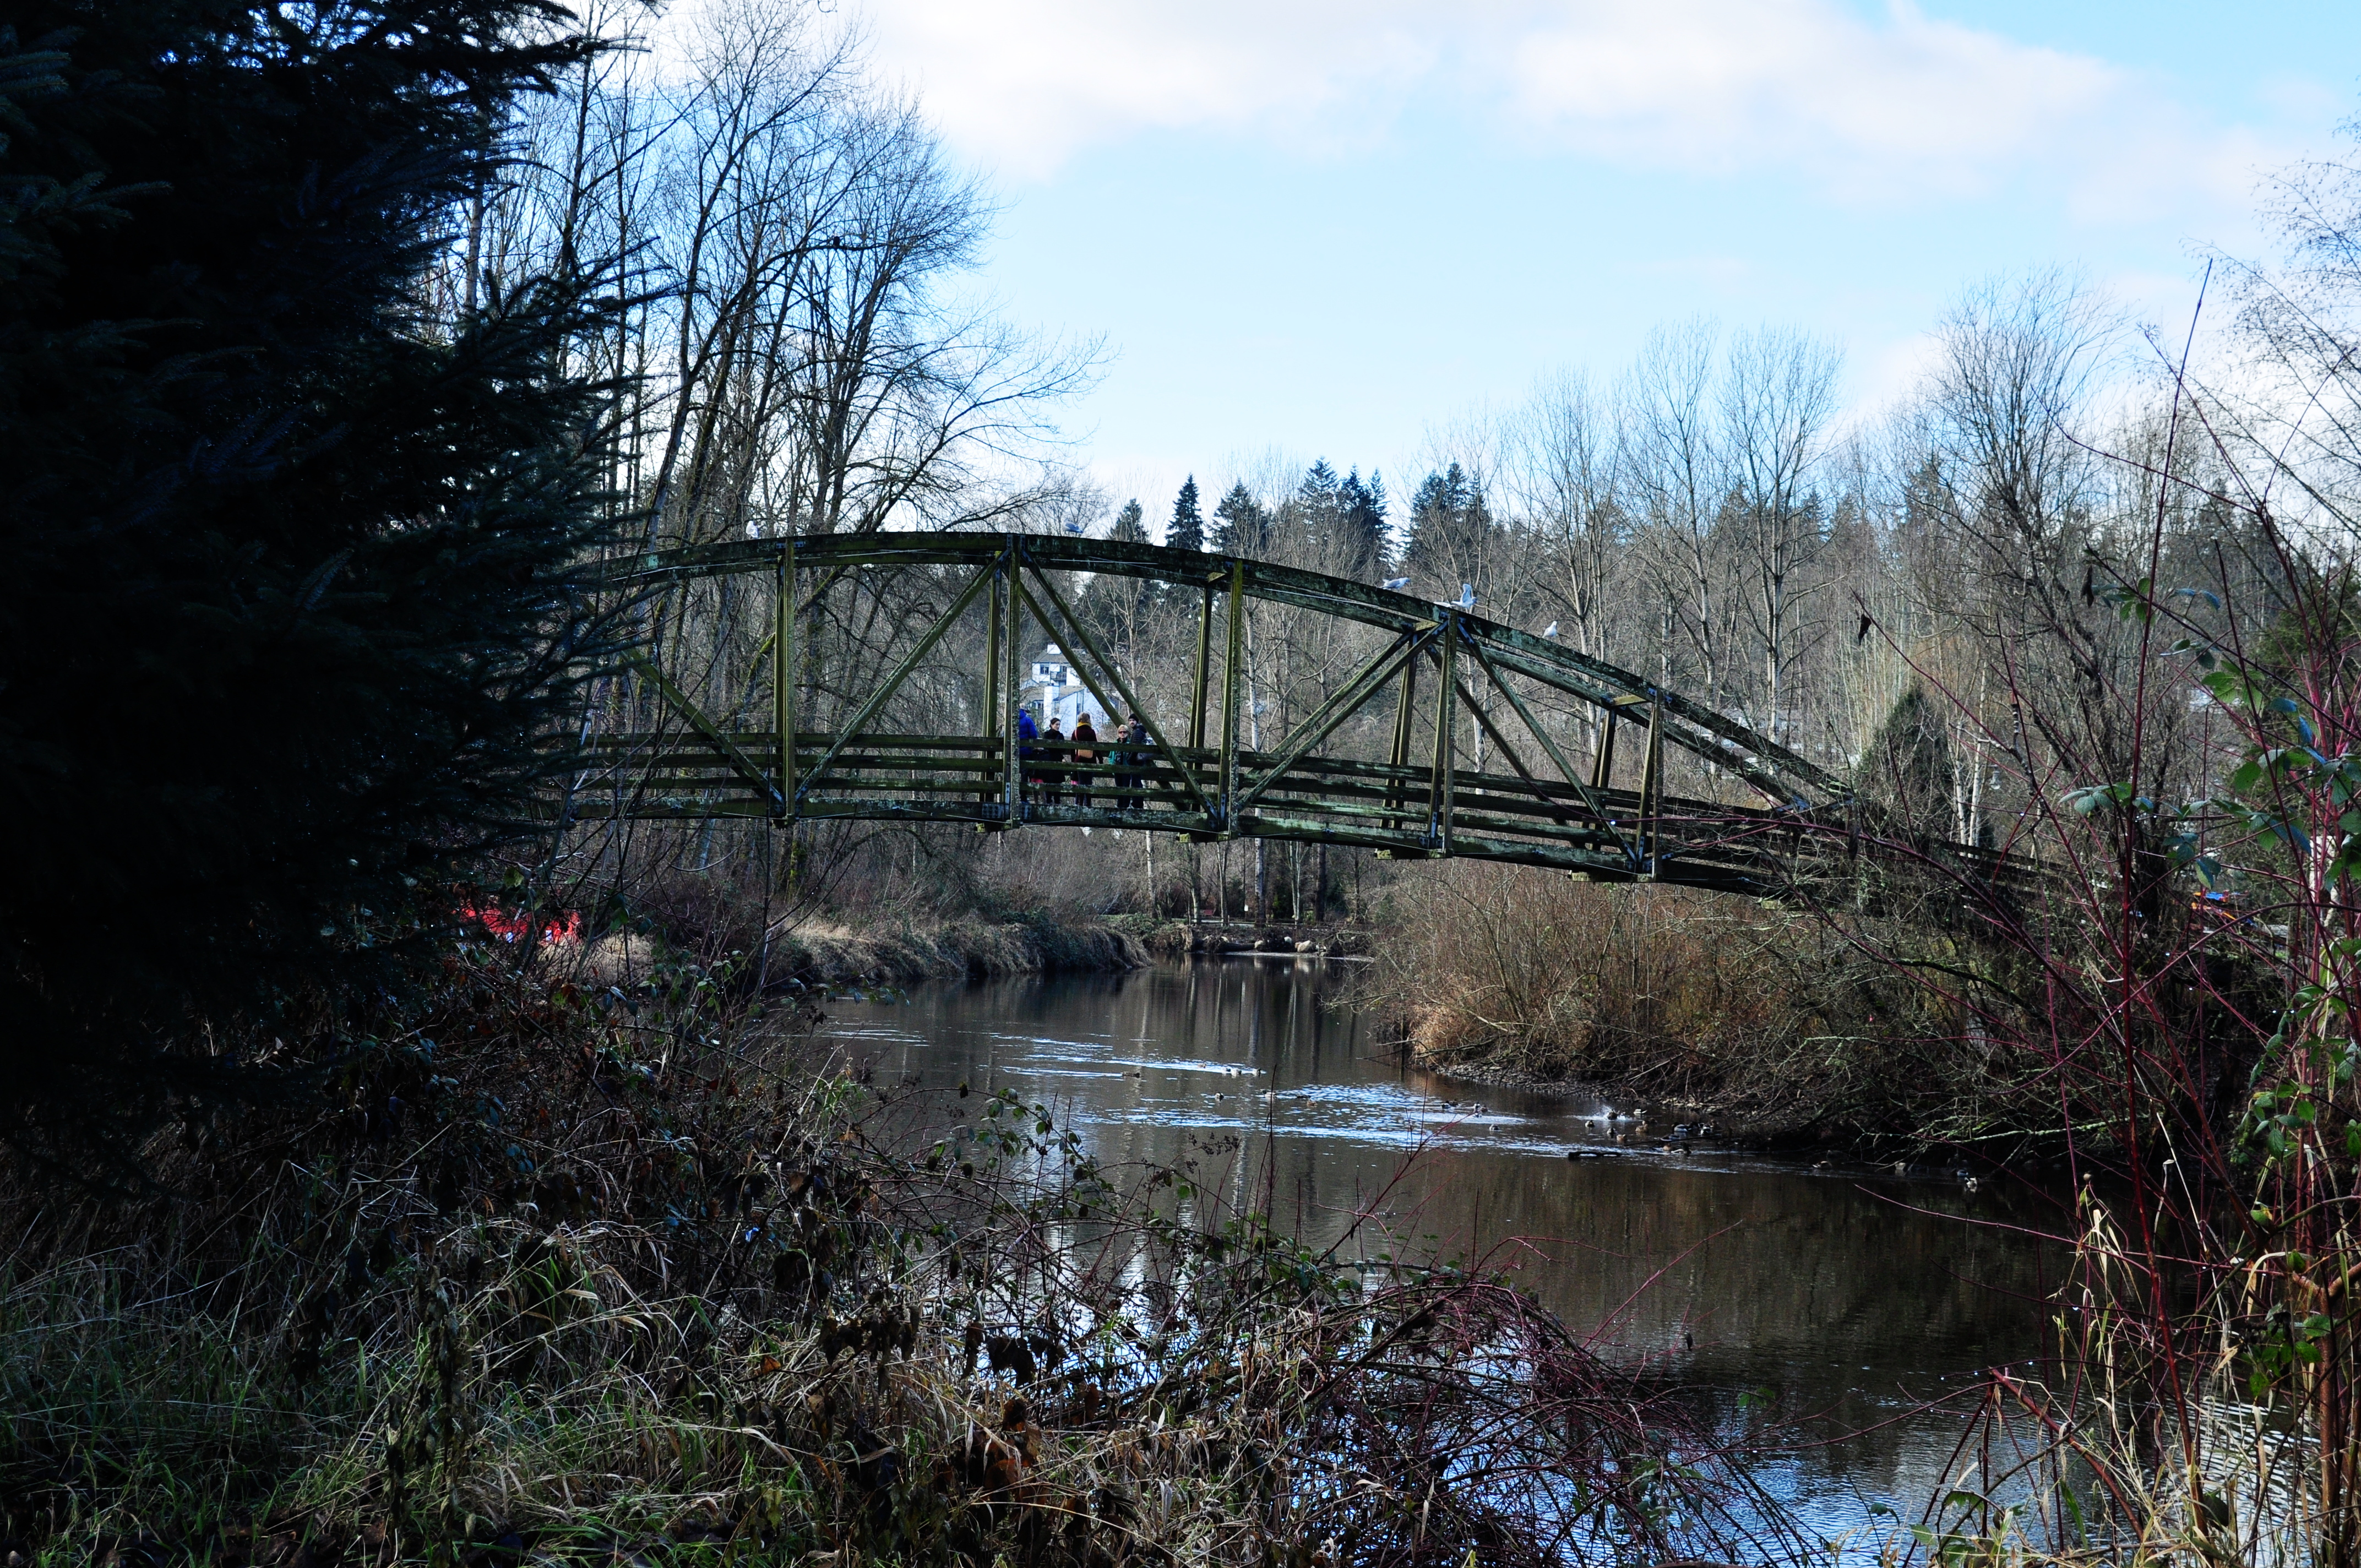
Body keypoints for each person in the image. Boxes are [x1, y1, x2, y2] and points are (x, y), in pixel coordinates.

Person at [1116, 713, 1149, 809]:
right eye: (1130, 721)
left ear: (1137, 722)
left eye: (1133, 720)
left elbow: (1135, 747)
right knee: (1137, 782)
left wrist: (1129, 758)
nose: (1131, 722)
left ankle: (1137, 804)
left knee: (1136, 783)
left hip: (1136, 762)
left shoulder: (1137, 732)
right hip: (1138, 762)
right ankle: (1137, 804)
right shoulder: (1138, 731)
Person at [1070, 713, 1098, 808]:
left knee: (1081, 782)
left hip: (1079, 759)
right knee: (1089, 782)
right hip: (1090, 760)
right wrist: (1101, 759)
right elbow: (1096, 746)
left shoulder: (1076, 732)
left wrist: (1073, 760)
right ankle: (1088, 804)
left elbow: (1071, 747)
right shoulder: (1091, 732)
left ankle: (1080, 804)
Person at [1015, 706, 1039, 803]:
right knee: (1024, 775)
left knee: (1012, 773)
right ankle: (1023, 798)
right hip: (1025, 752)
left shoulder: (1011, 720)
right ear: (1024, 711)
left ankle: (1011, 797)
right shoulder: (1028, 721)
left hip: (1014, 752)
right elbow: (1034, 736)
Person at [1040, 716, 1066, 799]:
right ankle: (1048, 801)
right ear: (1052, 725)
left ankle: (1057, 801)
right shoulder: (1047, 734)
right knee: (1048, 781)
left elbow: (1063, 749)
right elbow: (1047, 747)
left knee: (1057, 782)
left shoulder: (1060, 735)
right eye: (1056, 724)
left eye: (1059, 725)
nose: (1058, 726)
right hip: (1049, 758)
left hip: (1057, 759)